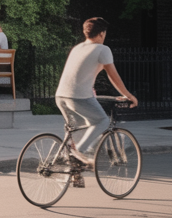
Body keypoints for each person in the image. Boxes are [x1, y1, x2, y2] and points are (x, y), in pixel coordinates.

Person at [56, 17, 138, 169]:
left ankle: (74, 172)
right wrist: (129, 96)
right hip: (79, 97)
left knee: (81, 131)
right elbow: (114, 77)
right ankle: (77, 153)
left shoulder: (78, 48)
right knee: (102, 121)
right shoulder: (102, 49)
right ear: (101, 33)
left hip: (61, 96)